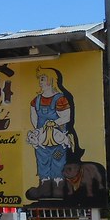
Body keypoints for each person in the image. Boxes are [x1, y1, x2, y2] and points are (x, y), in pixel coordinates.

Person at [26, 67, 72, 199]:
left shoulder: (60, 99)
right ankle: (45, 189)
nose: (40, 82)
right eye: (39, 79)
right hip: (42, 141)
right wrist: (40, 134)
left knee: (58, 162)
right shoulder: (36, 100)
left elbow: (66, 117)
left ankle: (58, 189)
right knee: (42, 163)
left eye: (42, 78)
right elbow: (34, 118)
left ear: (51, 80)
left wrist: (54, 123)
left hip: (57, 140)